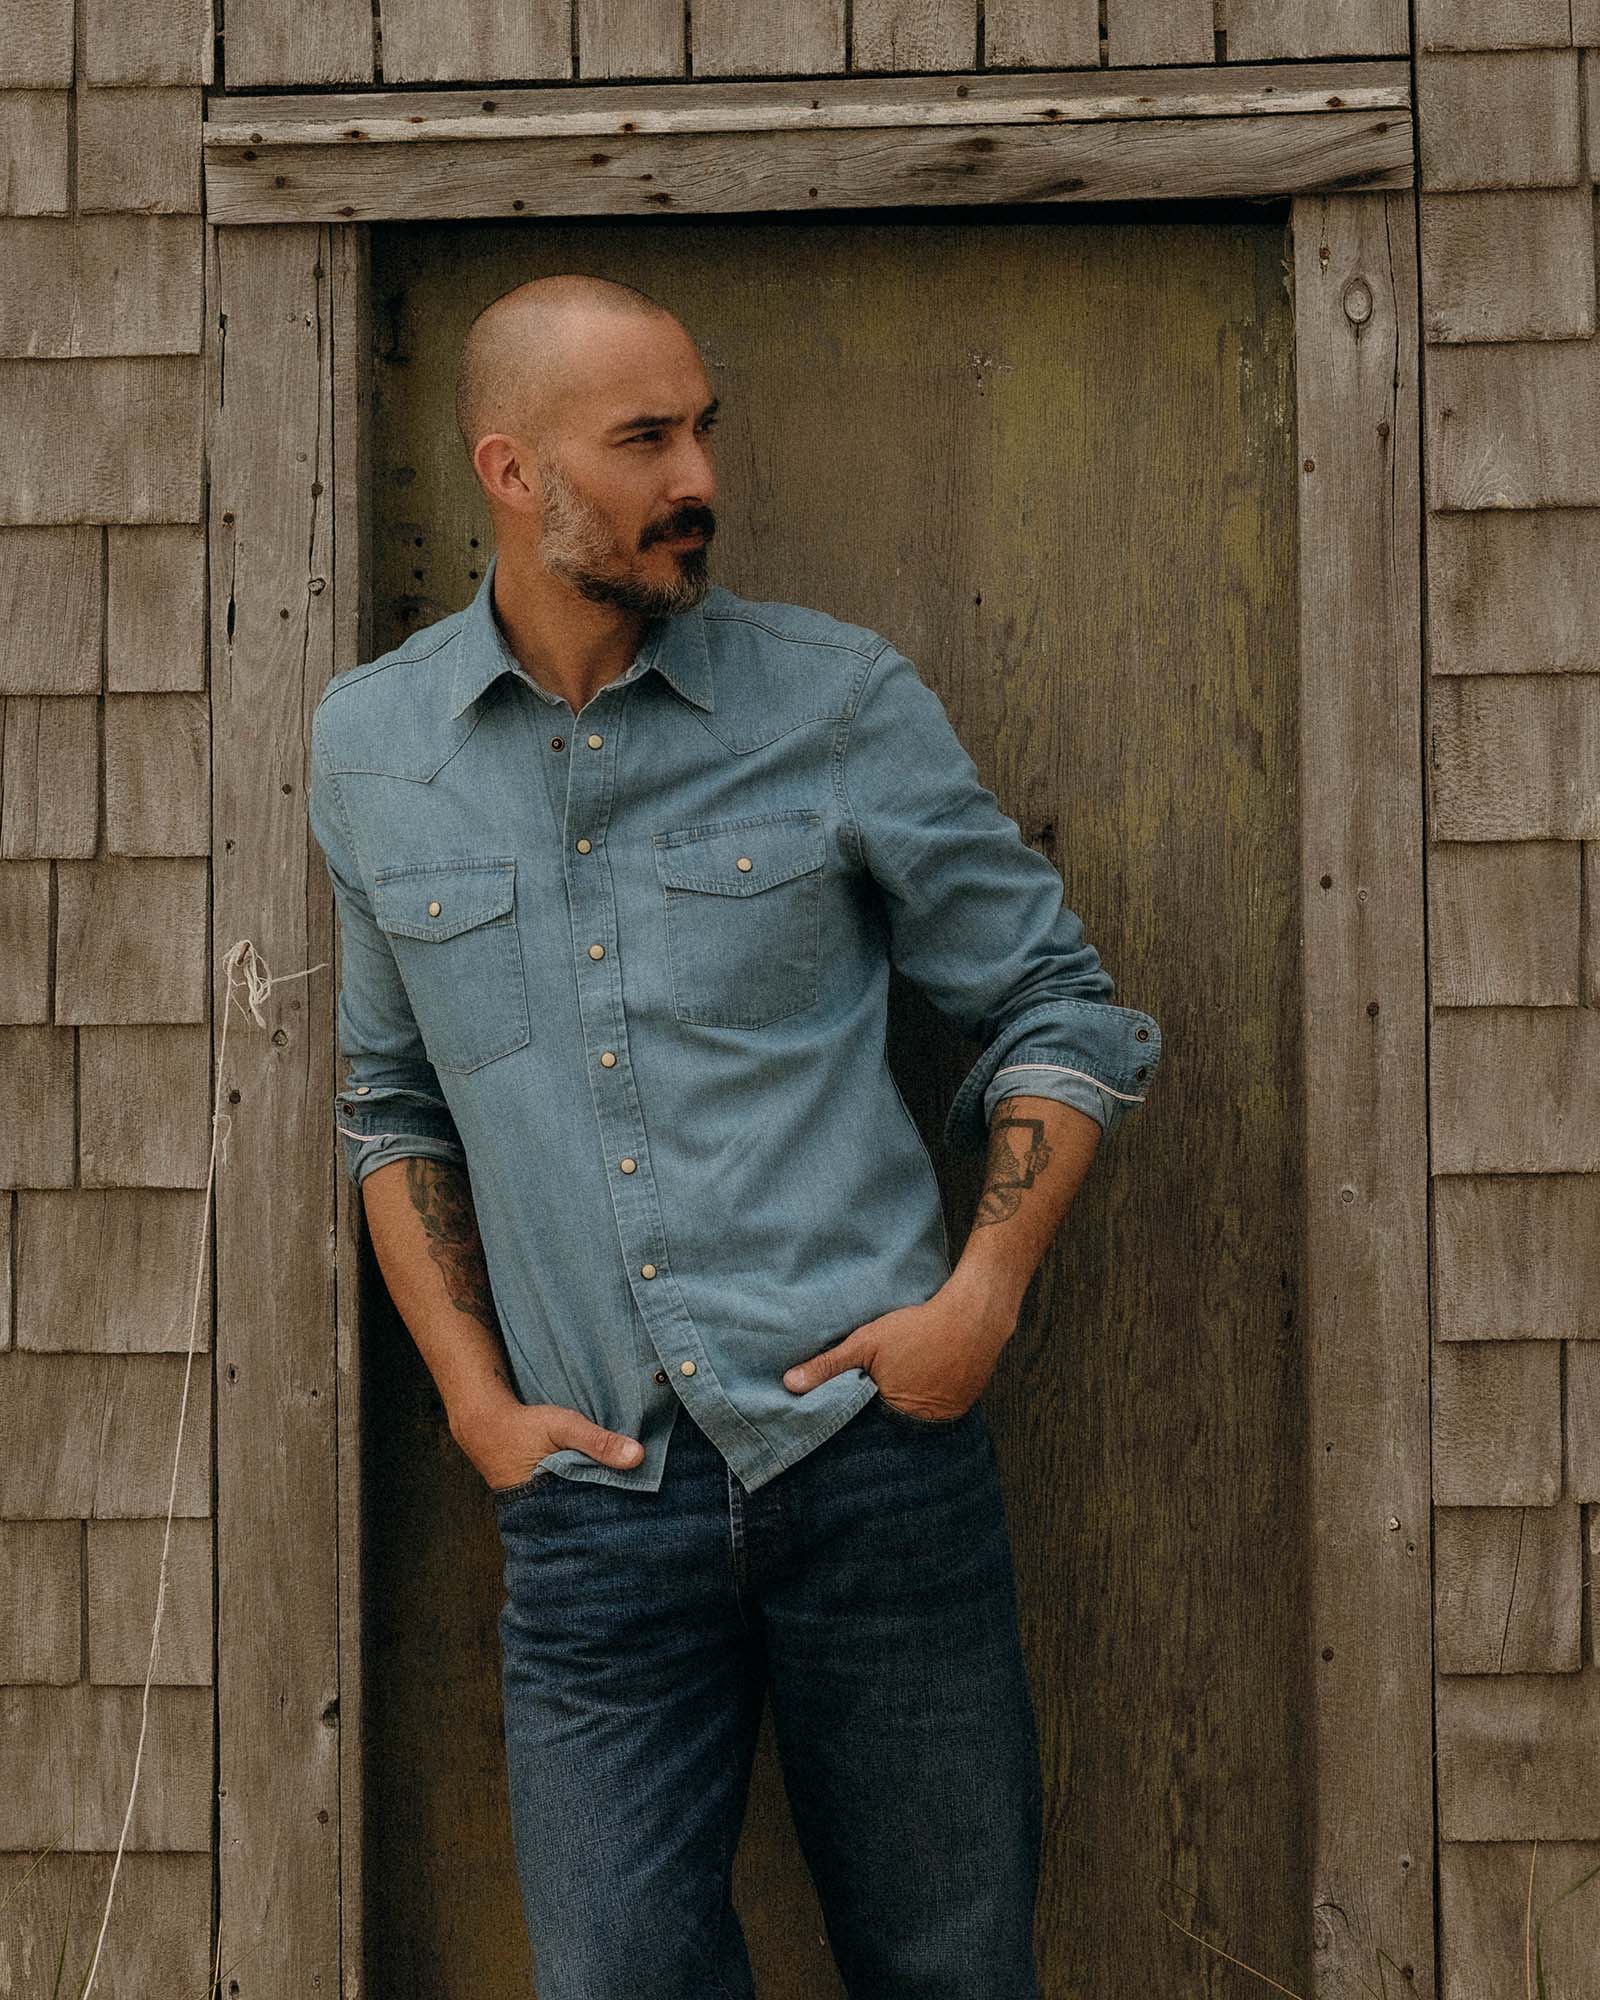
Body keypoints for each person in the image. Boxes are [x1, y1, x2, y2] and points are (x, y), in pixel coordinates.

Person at [307, 273, 1162, 1999]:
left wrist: (980, 1299)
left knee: (950, 1972)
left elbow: (1058, 1009)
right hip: (591, 1510)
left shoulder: (834, 702)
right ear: (510, 468)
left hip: (873, 1462)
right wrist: (476, 1403)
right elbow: (391, 1105)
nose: (696, 473)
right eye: (643, 438)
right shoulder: (372, 749)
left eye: (705, 427)